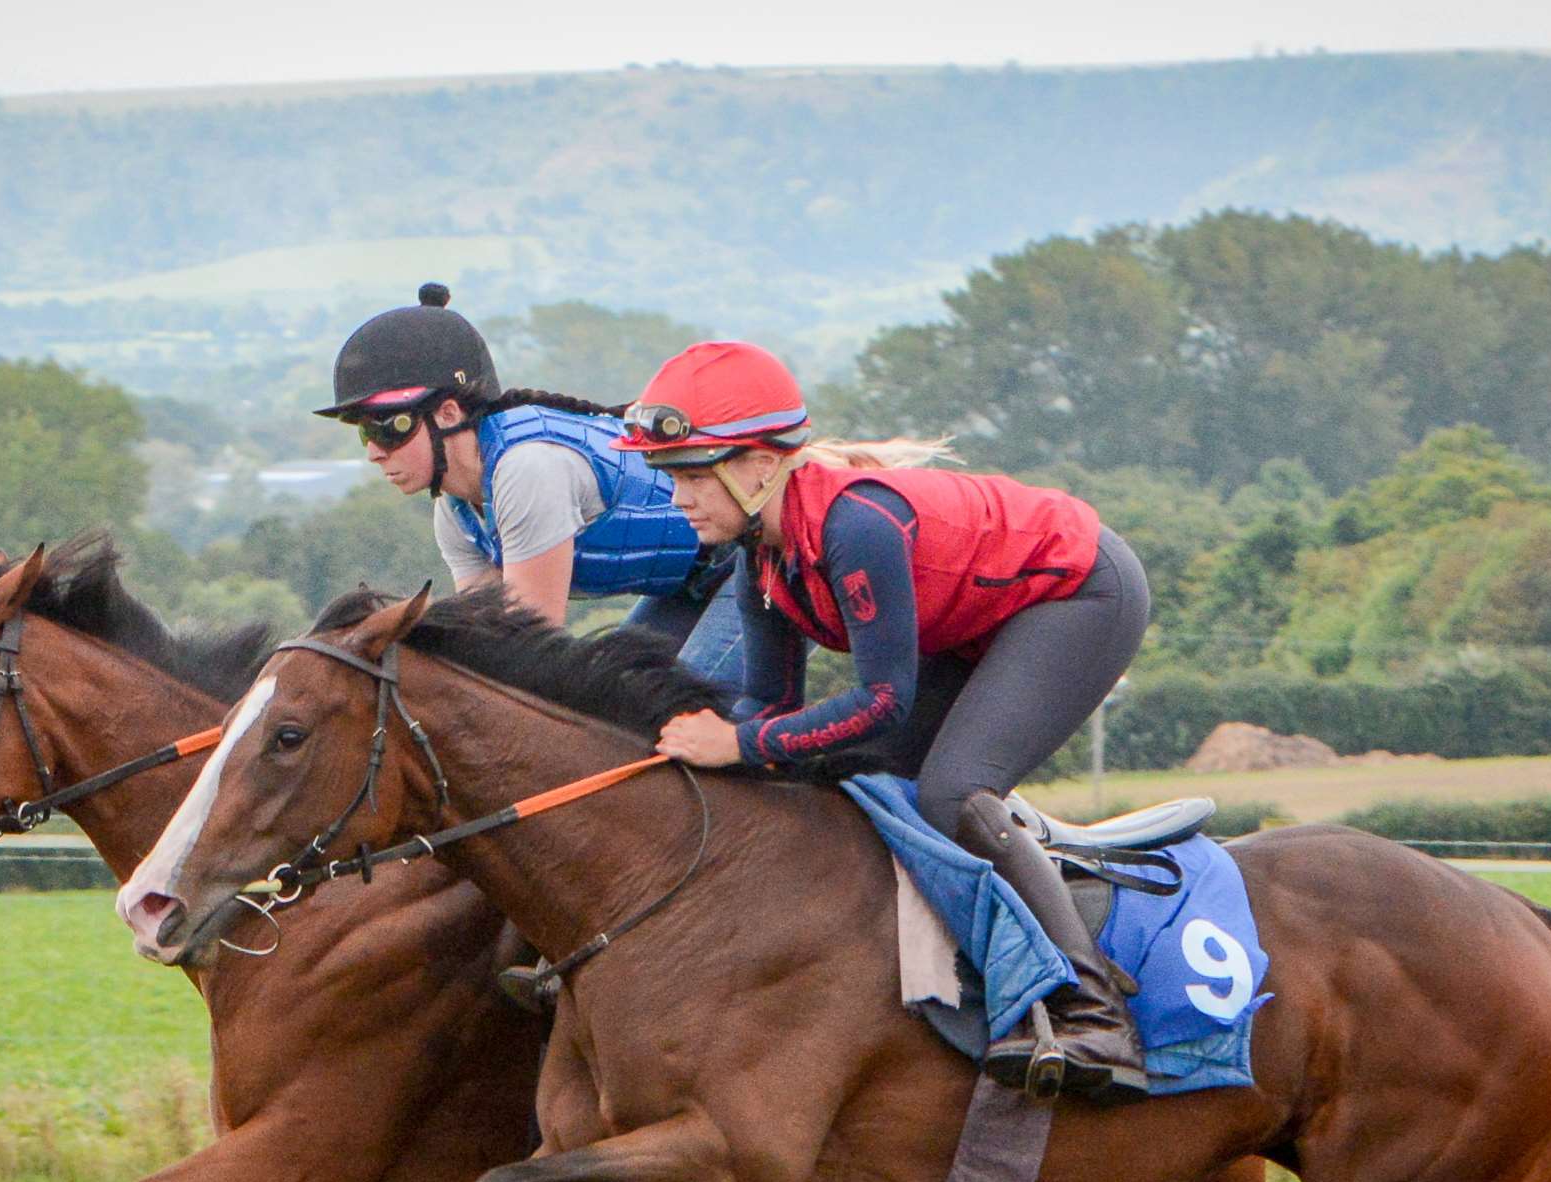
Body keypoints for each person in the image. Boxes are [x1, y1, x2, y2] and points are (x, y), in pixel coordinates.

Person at [620, 340, 1153, 1104]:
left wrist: (736, 742)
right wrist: (668, 745)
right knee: (872, 784)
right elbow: (767, 709)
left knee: (951, 793)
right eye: (670, 476)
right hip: (985, 620)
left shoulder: (855, 526)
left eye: (693, 474)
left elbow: (880, 702)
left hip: (1079, 593)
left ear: (762, 465)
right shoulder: (759, 560)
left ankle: (1094, 1008)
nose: (678, 496)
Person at [316, 284, 738, 664]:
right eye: (363, 433)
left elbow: (529, 653)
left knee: (691, 724)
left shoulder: (527, 470)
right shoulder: (455, 513)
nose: (374, 452)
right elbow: (486, 644)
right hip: (688, 582)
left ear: (448, 413)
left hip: (752, 562)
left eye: (388, 428)